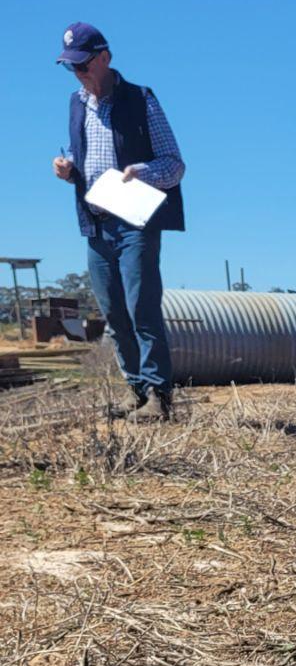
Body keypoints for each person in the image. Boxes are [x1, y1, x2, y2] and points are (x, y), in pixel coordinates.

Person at [52, 22, 185, 422]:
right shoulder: (77, 104)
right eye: (71, 66)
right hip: (96, 224)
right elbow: (83, 161)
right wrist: (68, 170)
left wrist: (142, 171)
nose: (78, 73)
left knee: (141, 308)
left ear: (105, 58)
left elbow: (174, 165)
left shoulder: (141, 99)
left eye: (83, 64)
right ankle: (136, 391)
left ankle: (159, 396)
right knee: (114, 314)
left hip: (135, 223)